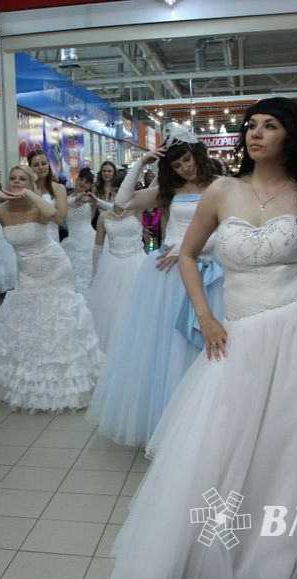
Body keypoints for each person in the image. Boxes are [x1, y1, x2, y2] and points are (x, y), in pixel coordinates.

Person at [102, 98, 297, 579]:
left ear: (291, 135)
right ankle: (225, 549)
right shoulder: (222, 190)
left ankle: (294, 556)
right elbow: (188, 254)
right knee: (226, 441)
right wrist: (204, 314)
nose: (256, 133)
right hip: (239, 335)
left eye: (270, 125)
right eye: (251, 126)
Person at [85, 125, 225, 447]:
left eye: (187, 160)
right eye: (176, 165)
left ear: (197, 155)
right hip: (166, 276)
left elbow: (227, 228)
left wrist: (188, 247)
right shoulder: (169, 191)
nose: (184, 168)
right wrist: (141, 162)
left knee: (204, 346)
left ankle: (206, 422)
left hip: (208, 273)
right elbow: (122, 202)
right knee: (167, 349)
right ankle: (168, 423)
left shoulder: (220, 186)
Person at [0, 165, 102, 412]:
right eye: (13, 178)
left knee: (58, 319)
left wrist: (30, 193)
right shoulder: (1, 210)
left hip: (54, 266)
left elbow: (54, 215)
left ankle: (68, 379)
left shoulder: (36, 206)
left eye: (23, 178)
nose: (16, 182)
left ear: (31, 183)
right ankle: (0, 381)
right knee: (22, 323)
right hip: (26, 272)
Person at [87, 172, 146, 352]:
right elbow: (98, 248)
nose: (121, 194)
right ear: (112, 191)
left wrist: (143, 162)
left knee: (138, 307)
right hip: (112, 265)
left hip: (138, 263)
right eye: (117, 190)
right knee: (115, 309)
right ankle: (117, 348)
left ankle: (138, 346)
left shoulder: (137, 209)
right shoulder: (104, 217)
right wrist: (95, 273)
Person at [61, 167, 98, 294]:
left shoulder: (92, 201)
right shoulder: (65, 198)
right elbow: (61, 210)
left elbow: (90, 220)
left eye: (87, 182)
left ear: (90, 185)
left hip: (89, 240)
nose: (83, 183)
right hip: (72, 240)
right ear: (76, 179)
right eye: (81, 179)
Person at [28, 149, 68, 243]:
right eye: (36, 165)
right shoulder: (26, 189)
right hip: (29, 236)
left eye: (43, 163)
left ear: (48, 165)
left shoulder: (59, 188)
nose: (41, 167)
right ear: (30, 168)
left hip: (51, 238)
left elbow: (60, 219)